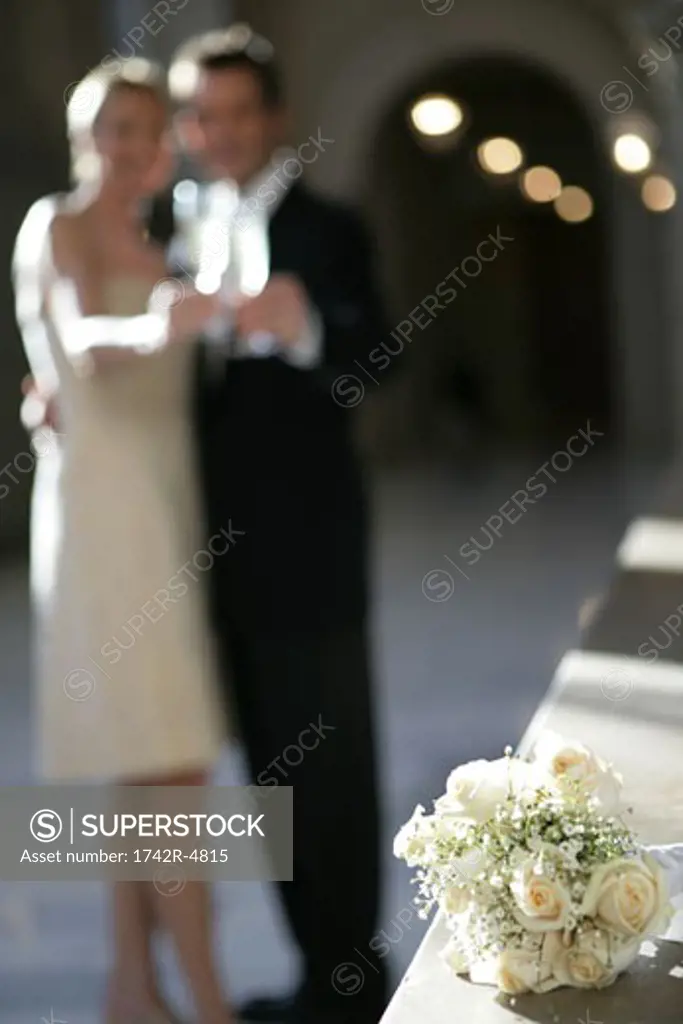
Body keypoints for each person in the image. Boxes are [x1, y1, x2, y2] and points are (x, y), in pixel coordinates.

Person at [167, 26, 389, 1024]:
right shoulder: (160, 230)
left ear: (274, 119)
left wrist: (303, 328)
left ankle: (352, 984)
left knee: (332, 775)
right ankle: (313, 979)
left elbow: (380, 357)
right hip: (206, 560)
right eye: (201, 115)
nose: (219, 133)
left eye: (237, 112)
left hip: (310, 554)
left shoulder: (328, 229)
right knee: (270, 783)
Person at [13, 60, 236, 1024]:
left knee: (146, 769)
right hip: (108, 521)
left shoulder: (174, 238)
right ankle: (209, 999)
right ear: (86, 135)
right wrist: (158, 324)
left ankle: (132, 991)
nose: (132, 143)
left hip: (169, 508)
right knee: (172, 770)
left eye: (149, 127)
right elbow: (78, 339)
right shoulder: (52, 225)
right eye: (115, 126)